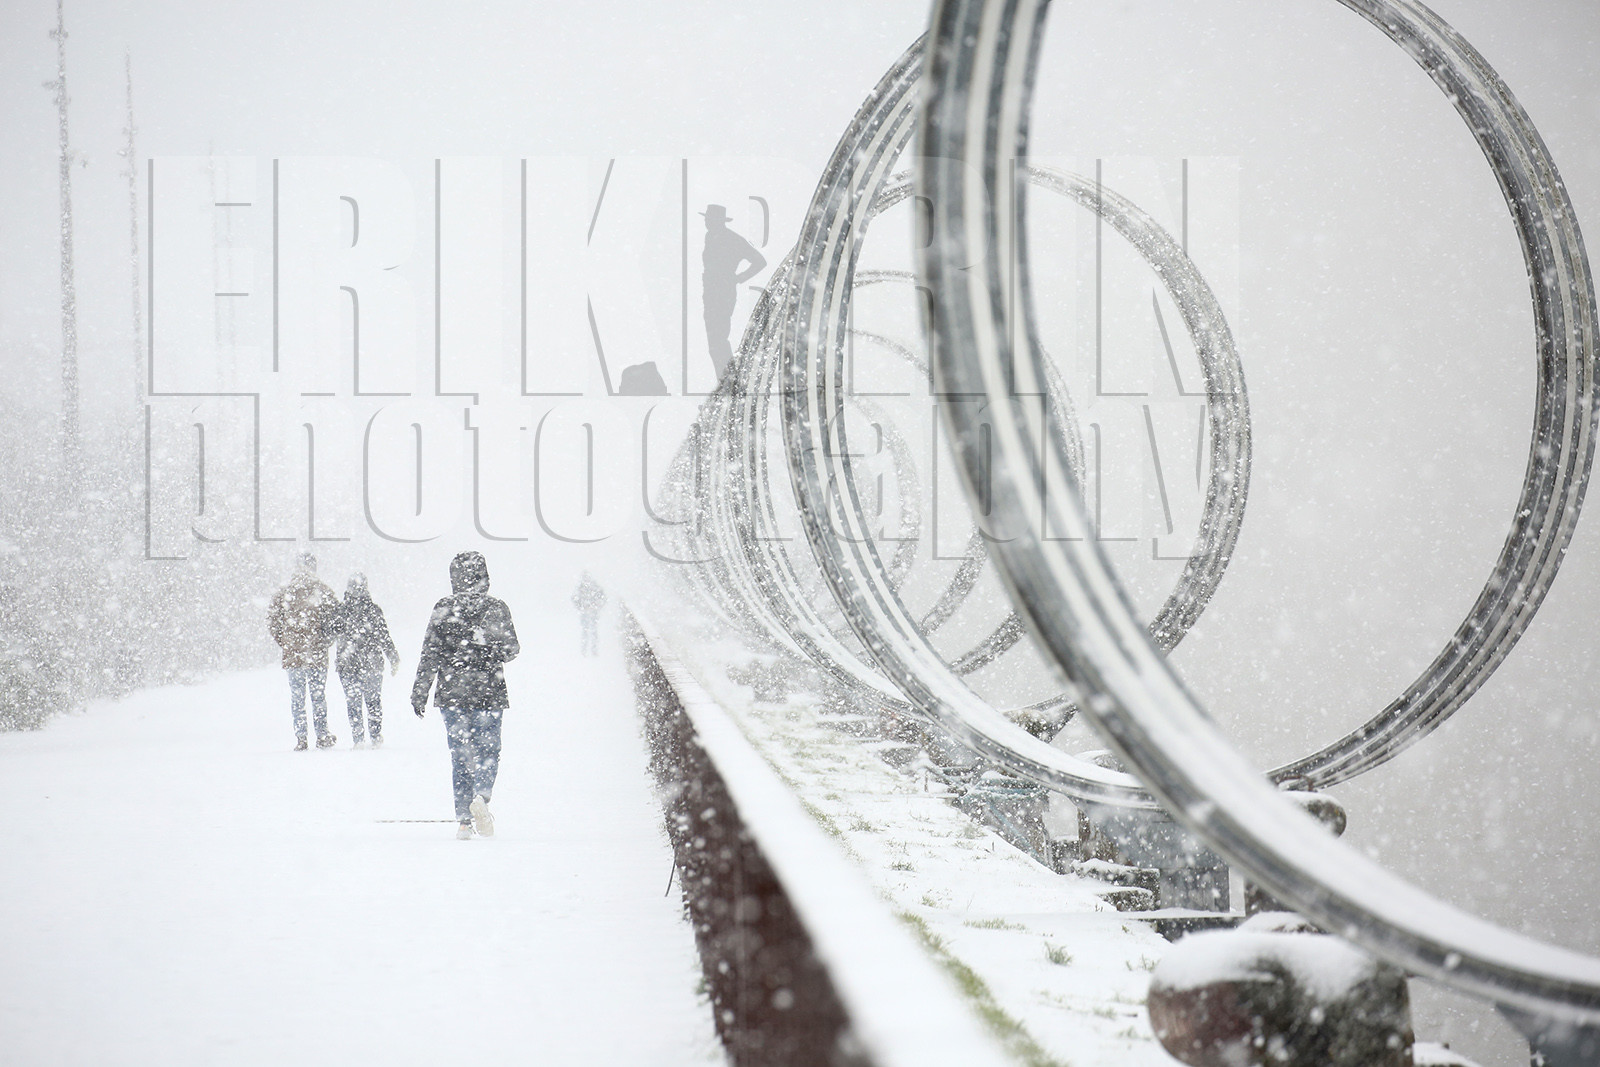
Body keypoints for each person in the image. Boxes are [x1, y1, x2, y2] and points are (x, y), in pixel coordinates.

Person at [411, 551, 520, 840]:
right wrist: (487, 650)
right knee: (488, 751)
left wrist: (420, 691)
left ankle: (463, 820)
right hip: (489, 692)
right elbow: (512, 650)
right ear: (485, 577)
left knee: (460, 754)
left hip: (452, 693)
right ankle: (481, 798)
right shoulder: (497, 609)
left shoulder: (443, 608)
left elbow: (430, 652)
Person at [267, 552, 340, 751]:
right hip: (315, 652)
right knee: (318, 695)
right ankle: (322, 734)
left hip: (293, 654)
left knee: (297, 697)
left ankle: (301, 737)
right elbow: (336, 620)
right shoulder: (323, 591)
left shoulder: (284, 592)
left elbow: (272, 620)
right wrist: (325, 641)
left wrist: (286, 641)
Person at [701, 203, 767, 380]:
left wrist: (739, 277)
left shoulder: (733, 239)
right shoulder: (710, 236)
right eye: (706, 219)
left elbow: (760, 261)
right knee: (714, 341)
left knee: (718, 340)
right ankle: (726, 383)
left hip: (722, 294)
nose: (706, 222)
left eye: (709, 219)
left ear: (718, 221)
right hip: (710, 294)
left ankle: (729, 383)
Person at [335, 574, 400, 749]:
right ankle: (376, 736)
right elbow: (384, 637)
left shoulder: (341, 611)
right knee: (373, 702)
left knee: (353, 702)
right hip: (371, 663)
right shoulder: (373, 610)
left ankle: (358, 739)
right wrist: (393, 658)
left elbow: (332, 634)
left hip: (347, 664)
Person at [571, 572, 605, 657]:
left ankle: (589, 650)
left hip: (589, 612)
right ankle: (589, 650)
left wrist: (583, 606)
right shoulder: (592, 586)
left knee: (588, 631)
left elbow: (574, 599)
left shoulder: (582, 587)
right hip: (588, 612)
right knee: (589, 631)